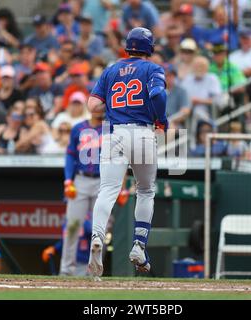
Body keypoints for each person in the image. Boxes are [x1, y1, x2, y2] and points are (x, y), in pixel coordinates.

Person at [87, 27, 168, 276]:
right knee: (145, 190)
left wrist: (114, 105)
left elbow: (93, 106)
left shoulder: (111, 69)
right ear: (149, 48)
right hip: (142, 132)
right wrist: (161, 119)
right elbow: (157, 95)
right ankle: (139, 245)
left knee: (108, 189)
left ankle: (98, 235)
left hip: (114, 133)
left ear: (127, 46)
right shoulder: (153, 69)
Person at [59, 110, 105, 276]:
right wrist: (68, 180)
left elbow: (120, 158)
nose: (101, 109)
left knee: (99, 230)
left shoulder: (112, 128)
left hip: (103, 181)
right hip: (81, 179)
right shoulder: (78, 128)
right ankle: (66, 271)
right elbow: (70, 155)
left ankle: (94, 271)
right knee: (72, 226)